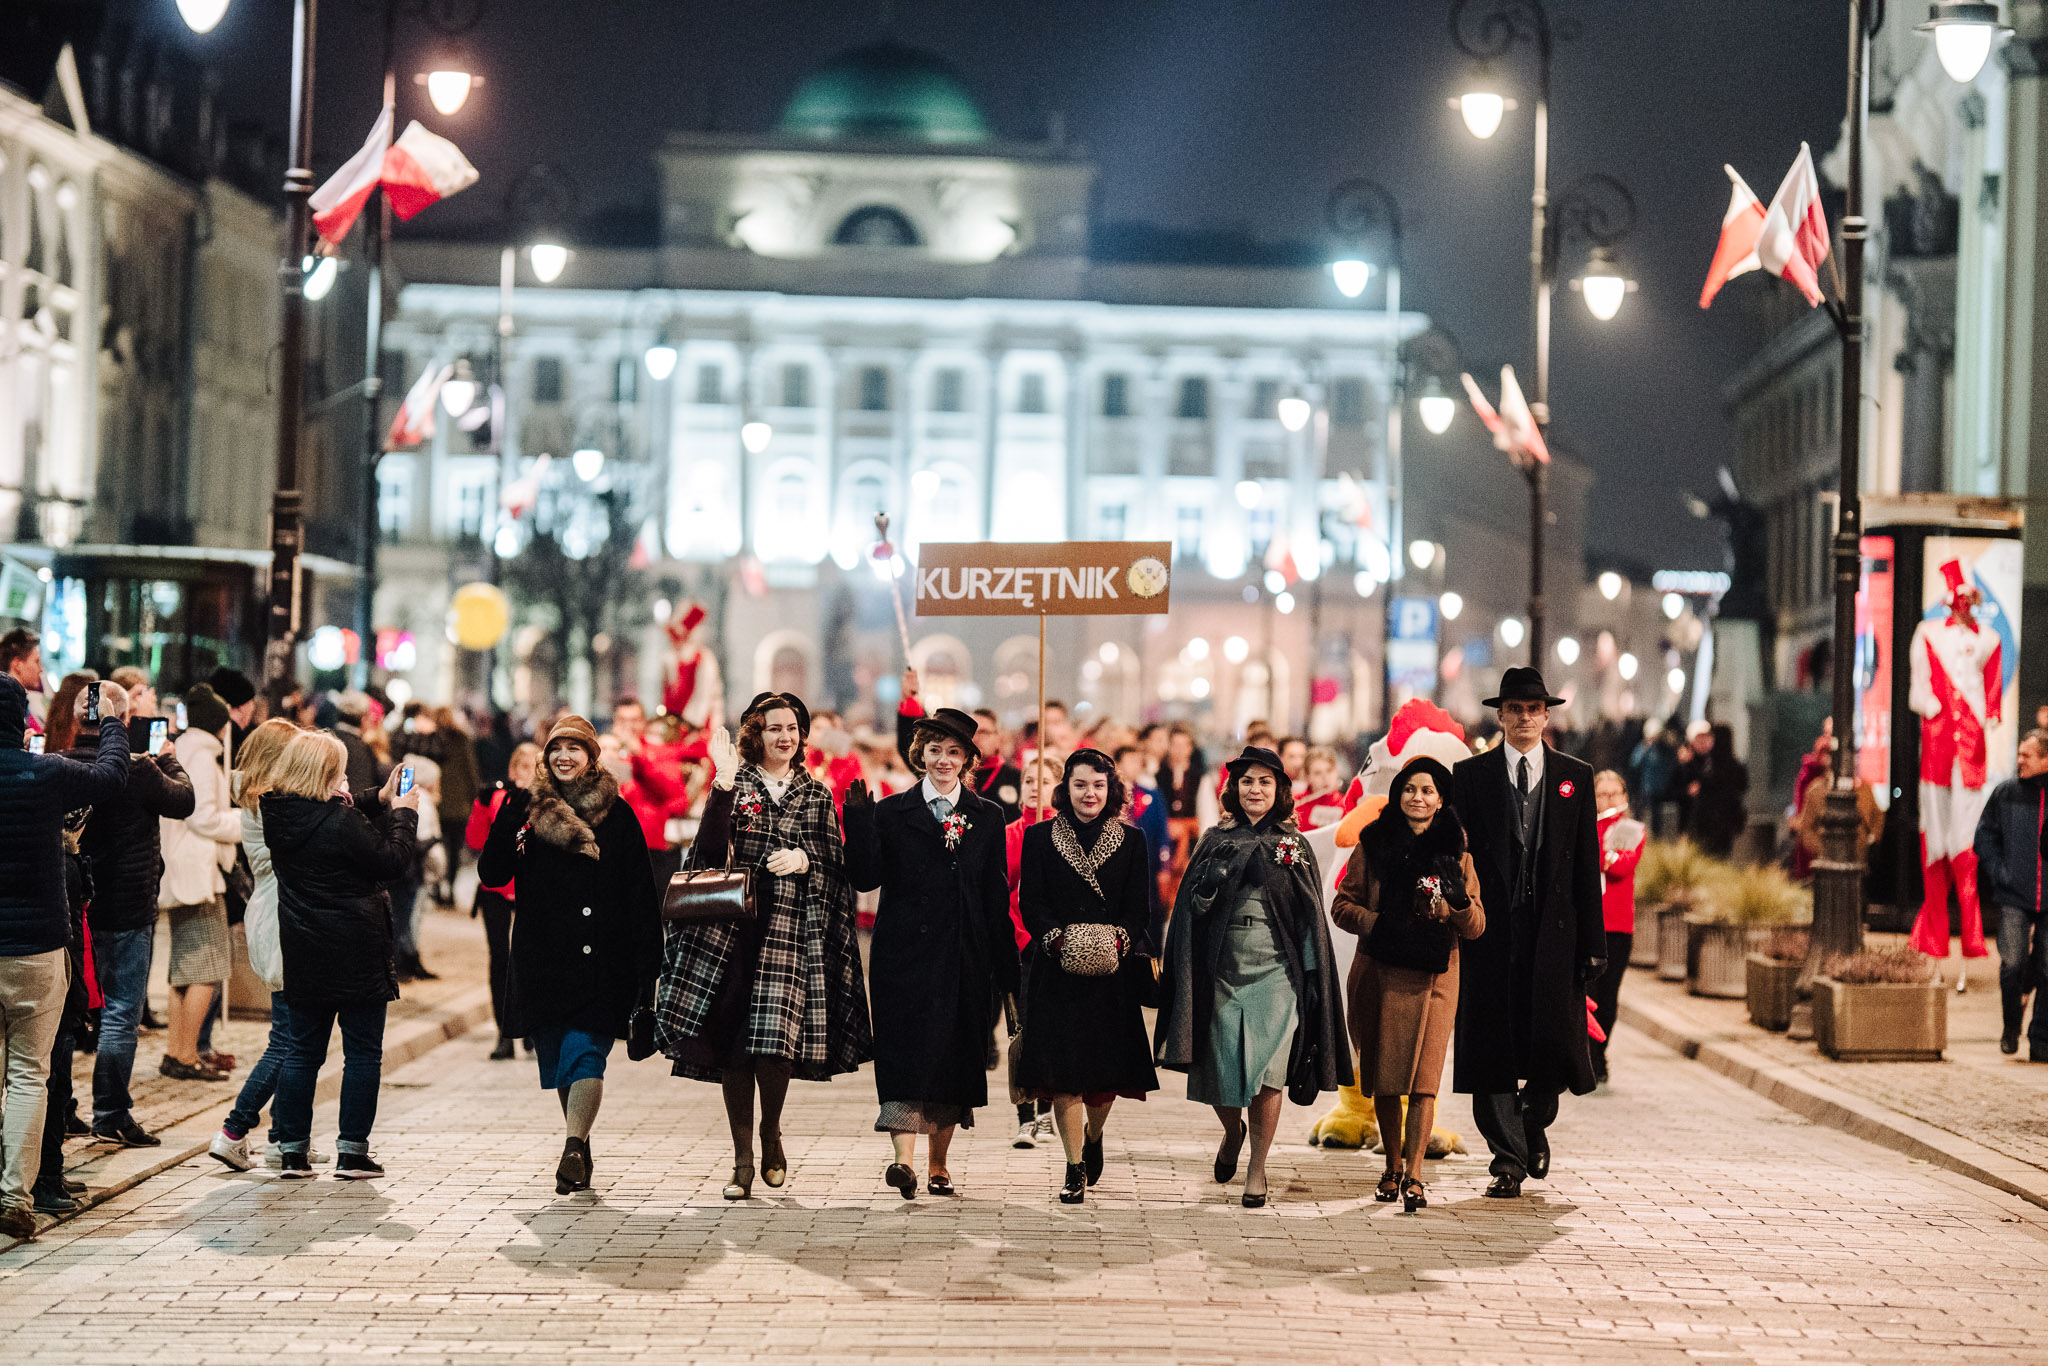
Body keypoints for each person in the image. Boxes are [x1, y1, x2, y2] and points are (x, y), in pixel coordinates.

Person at [656, 693, 871, 1200]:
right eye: (774, 727)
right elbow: (704, 852)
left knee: (776, 1044)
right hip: (732, 931)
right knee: (735, 1046)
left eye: (792, 728)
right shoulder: (739, 783)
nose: (784, 736)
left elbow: (834, 863)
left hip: (789, 931)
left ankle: (771, 1132)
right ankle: (742, 1161)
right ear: (757, 732)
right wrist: (723, 783)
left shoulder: (816, 793)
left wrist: (806, 860)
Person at [1154, 746, 1350, 1208]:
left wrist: (1310, 979)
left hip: (1277, 975)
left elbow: (1308, 918)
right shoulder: (1214, 839)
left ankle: (1257, 1170)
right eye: (1247, 781)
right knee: (1222, 1072)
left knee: (1267, 1074)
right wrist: (1207, 891)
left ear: (1279, 789)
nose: (1255, 789)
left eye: (1264, 781)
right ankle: (1232, 1131)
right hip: (1223, 970)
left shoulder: (1294, 844)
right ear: (1234, 788)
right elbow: (1190, 914)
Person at [479, 716, 662, 1195]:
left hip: (603, 956)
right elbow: (493, 872)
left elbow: (641, 891)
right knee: (562, 1056)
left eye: (574, 749)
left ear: (591, 757)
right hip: (542, 957)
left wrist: (649, 963)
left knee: (586, 1053)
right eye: (556, 748)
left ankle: (574, 1145)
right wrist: (508, 815)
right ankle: (578, 1143)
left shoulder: (617, 815)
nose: (564, 756)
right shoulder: (528, 808)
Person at [843, 706, 1016, 1200]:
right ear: (920, 755)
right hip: (902, 958)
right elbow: (866, 878)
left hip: (964, 957)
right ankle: (903, 1161)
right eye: (935, 750)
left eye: (954, 752)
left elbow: (995, 897)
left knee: (953, 1058)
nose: (943, 760)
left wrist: (1005, 970)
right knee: (903, 1054)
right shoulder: (892, 812)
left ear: (967, 761)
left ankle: (939, 1163)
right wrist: (857, 822)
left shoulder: (986, 817)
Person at [1450, 667, 1604, 1199]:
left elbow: (1588, 865)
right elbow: (1457, 857)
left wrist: (1594, 946)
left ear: (1546, 715)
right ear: (1500, 715)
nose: (1523, 718)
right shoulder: (1468, 777)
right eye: (1513, 709)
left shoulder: (1575, 776)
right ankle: (1508, 1160)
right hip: (1490, 936)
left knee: (1552, 1045)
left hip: (1553, 935)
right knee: (1490, 1046)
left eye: (1532, 709)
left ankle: (1533, 1122)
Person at [0, 675, 129, 1239]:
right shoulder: (46, 773)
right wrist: (113, 721)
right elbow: (111, 777)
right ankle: (13, 1198)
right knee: (30, 1074)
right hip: (37, 947)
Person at [1331, 755, 1484, 1213]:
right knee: (1385, 1080)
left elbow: (1476, 925)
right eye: (1410, 789)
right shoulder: (1372, 845)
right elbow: (1342, 905)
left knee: (1423, 1081)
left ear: (1441, 800)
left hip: (1437, 976)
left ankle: (1415, 1175)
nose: (1418, 798)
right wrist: (1378, 924)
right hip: (1381, 972)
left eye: (1428, 790)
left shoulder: (1459, 855)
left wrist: (1456, 903)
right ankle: (1392, 1167)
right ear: (1398, 795)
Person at [264, 732, 421, 1179]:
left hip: (305, 949)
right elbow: (391, 861)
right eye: (340, 770)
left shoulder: (280, 814)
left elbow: (332, 822)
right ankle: (352, 1152)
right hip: (356, 950)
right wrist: (404, 814)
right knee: (363, 1054)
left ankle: (291, 1150)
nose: (347, 776)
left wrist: (378, 797)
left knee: (302, 1053)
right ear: (323, 775)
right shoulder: (339, 821)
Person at [1014, 750, 1159, 1204]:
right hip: (1056, 973)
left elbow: (1140, 909)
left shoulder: (1132, 841)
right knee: (1064, 1077)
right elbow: (1031, 901)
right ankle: (1073, 1164)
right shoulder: (1039, 838)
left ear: (1109, 788)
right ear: (1066, 788)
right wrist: (1056, 939)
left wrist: (1117, 940)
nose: (1089, 794)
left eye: (1097, 785)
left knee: (1103, 1080)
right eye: (1080, 785)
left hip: (1109, 975)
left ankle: (1094, 1135)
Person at [69, 678, 194, 1149]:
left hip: (75, 906)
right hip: (127, 904)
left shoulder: (60, 762)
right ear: (122, 721)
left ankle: (62, 1110)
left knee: (69, 1013)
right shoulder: (138, 768)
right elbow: (184, 801)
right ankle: (112, 1112)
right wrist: (168, 757)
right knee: (122, 1010)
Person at [208, 719, 308, 1171]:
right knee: (288, 1042)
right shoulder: (273, 802)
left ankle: (283, 1137)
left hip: (277, 912)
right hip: (283, 916)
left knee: (293, 1036)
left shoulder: (260, 796)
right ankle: (234, 1129)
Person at [1976, 729, 2048, 1059]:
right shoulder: (2006, 793)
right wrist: (1999, 872)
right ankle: (2010, 1025)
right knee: (2012, 964)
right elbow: (1984, 837)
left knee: (2047, 967)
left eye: (2027, 755)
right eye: (2019, 753)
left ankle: (2041, 1038)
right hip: (2013, 895)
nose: (2019, 760)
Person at [1002, 754, 1061, 1147]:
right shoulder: (1009, 833)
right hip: (1018, 944)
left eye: (1044, 780)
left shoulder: (1066, 833)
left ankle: (1046, 1112)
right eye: (1029, 780)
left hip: (1055, 945)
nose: (1035, 787)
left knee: (1052, 1032)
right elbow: (1000, 884)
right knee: (1020, 1033)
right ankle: (1025, 1114)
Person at [467, 742, 539, 1060]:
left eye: (534, 767)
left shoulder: (548, 803)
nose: (528, 774)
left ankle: (531, 1027)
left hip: (530, 888)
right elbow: (475, 840)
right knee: (500, 960)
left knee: (529, 958)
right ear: (512, 770)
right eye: (522, 766)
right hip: (497, 889)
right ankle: (504, 1033)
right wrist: (483, 807)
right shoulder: (498, 799)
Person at [1590, 770, 1645, 1083]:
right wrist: (1604, 854)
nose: (1608, 799)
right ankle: (1582, 1055)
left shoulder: (1631, 829)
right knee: (1586, 994)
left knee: (1608, 996)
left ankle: (1599, 1054)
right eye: (1601, 794)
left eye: (1614, 794)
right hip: (1588, 923)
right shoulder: (1584, 825)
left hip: (1618, 926)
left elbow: (1622, 865)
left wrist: (1600, 853)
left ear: (1624, 798)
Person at [1159, 725, 1206, 908]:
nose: (1179, 750)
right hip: (1166, 840)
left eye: (1183, 745)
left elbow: (1206, 813)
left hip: (1191, 841)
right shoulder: (1158, 776)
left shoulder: (1199, 777)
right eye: (1175, 745)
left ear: (1190, 748)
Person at [0, 628, 46, 741]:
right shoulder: (5, 708)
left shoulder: (24, 705)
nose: (41, 670)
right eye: (36, 661)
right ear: (17, 665)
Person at [1296, 746, 1347, 830]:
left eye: (1329, 770)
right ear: (1307, 777)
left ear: (1336, 771)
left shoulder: (1347, 804)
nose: (1325, 777)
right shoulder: (1295, 803)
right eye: (1317, 773)